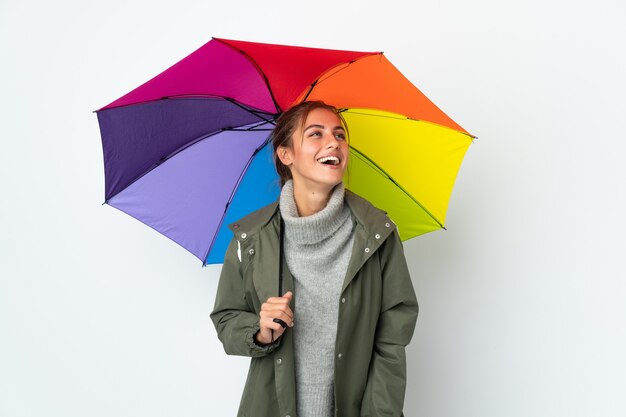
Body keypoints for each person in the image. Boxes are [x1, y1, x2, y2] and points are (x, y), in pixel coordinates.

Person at [210, 101, 418, 417]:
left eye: (339, 135)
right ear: (286, 154)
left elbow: (392, 341)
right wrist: (259, 329)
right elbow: (226, 319)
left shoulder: (377, 234)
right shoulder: (250, 237)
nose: (334, 142)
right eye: (316, 134)